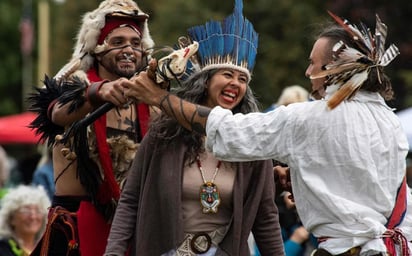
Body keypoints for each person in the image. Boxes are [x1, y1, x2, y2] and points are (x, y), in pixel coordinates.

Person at [125, 11, 412, 256]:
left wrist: (160, 98)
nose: (306, 71)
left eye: (312, 63)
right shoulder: (389, 122)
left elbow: (228, 131)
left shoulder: (309, 117)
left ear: (331, 69)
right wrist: (306, 180)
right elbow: (377, 191)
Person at [104, 0, 284, 255]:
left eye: (242, 79)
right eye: (227, 75)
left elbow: (266, 216)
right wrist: (113, 252)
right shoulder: (165, 133)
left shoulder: (251, 142)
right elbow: (130, 200)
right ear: (205, 81)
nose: (235, 84)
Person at [27, 0, 155, 255]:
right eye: (117, 42)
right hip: (77, 230)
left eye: (135, 42)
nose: (129, 49)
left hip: (133, 226)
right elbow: (55, 113)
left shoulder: (150, 99)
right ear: (97, 48)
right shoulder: (73, 87)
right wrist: (97, 93)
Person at [0, 185, 50, 256]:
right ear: (11, 218)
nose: (33, 216)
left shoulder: (47, 247)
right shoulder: (3, 249)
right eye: (26, 210)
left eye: (38, 211)